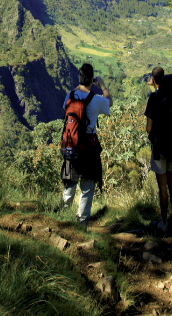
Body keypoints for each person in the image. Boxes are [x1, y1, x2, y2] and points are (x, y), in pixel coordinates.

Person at [61, 62, 112, 227]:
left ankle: (63, 214)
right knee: (88, 186)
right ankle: (81, 221)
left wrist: (82, 84)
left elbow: (65, 108)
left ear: (79, 78)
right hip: (89, 147)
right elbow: (109, 102)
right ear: (91, 80)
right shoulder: (97, 100)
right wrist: (102, 85)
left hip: (73, 144)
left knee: (70, 181)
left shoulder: (70, 95)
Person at [145, 66, 172, 233]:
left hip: (160, 148)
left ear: (153, 80)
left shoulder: (154, 98)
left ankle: (164, 222)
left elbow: (149, 129)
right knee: (171, 181)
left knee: (162, 185)